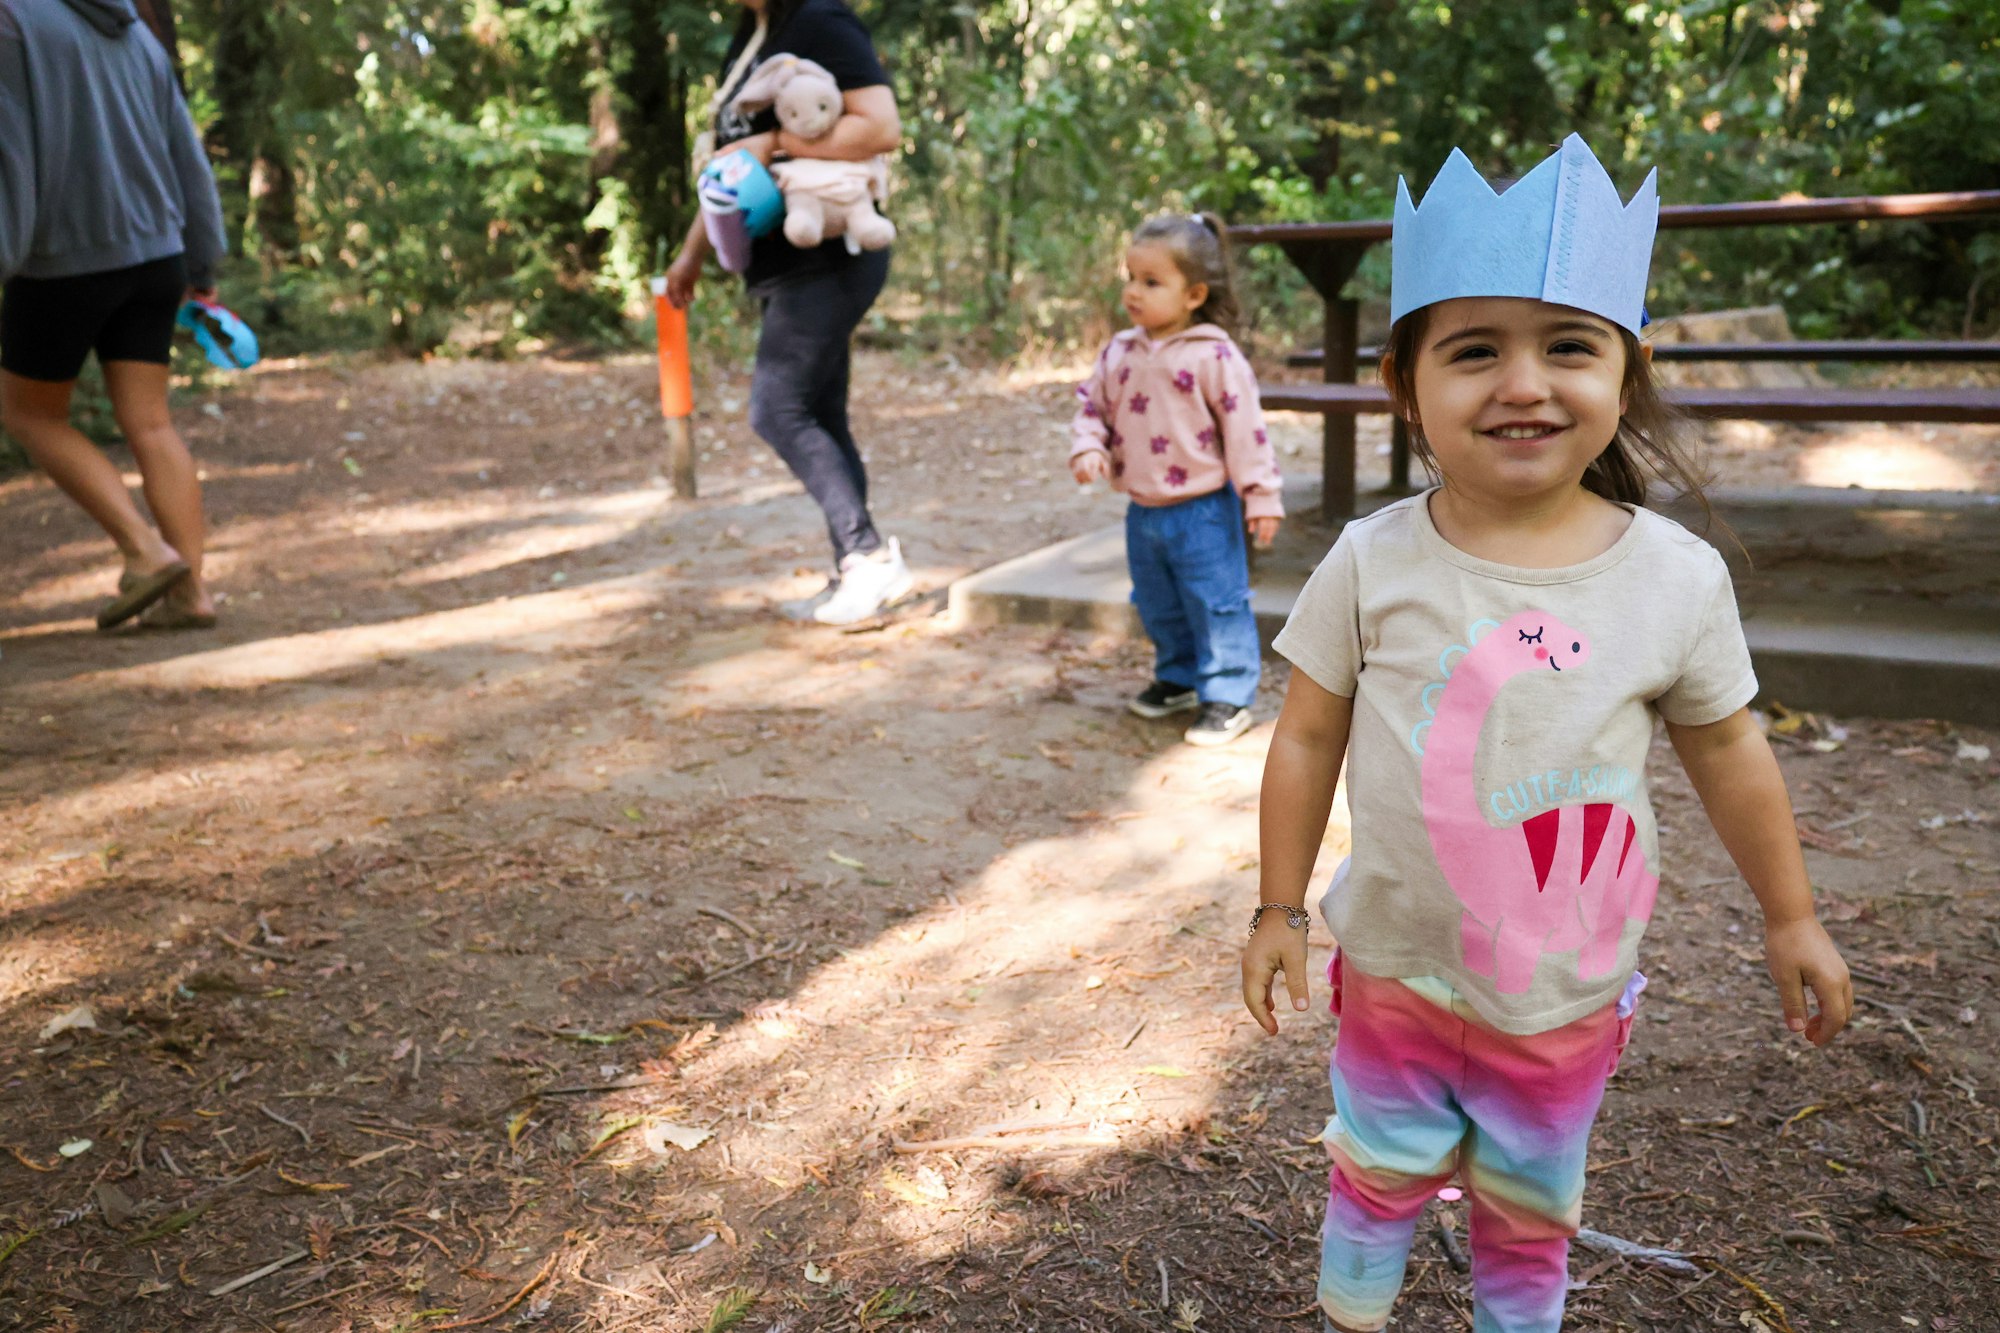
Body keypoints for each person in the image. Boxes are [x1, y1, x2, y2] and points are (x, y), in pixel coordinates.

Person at [1238, 136, 1852, 1333]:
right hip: (1395, 970)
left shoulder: (1671, 578)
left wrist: (1791, 913)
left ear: (1625, 375)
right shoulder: (1372, 560)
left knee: (1527, 1214)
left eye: (1566, 346)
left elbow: (1726, 748)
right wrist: (1276, 907)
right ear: (1402, 385)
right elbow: (1307, 735)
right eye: (1473, 351)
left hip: (1561, 992)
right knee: (1371, 1182)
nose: (1523, 383)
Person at [664, 0, 910, 627]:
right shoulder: (752, 34)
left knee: (777, 409)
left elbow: (881, 127)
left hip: (829, 255)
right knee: (820, 412)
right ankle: (857, 571)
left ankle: (868, 557)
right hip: (782, 262)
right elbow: (731, 159)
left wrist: (777, 139)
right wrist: (690, 256)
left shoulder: (820, 19)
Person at [0, 0, 227, 630]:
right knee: (151, 424)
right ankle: (192, 594)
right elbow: (187, 154)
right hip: (158, 254)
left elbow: (8, 157)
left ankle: (145, 549)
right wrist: (202, 261)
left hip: (64, 261)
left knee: (27, 412)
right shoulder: (137, 33)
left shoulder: (12, 24)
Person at [1068, 213, 1283, 747]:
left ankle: (1228, 694)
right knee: (1156, 599)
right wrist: (1089, 445)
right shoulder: (1119, 351)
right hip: (1144, 511)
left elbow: (1245, 430)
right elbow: (1092, 408)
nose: (1133, 292)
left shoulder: (1214, 355)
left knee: (1216, 599)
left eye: (1151, 282)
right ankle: (1179, 676)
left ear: (1194, 294)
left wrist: (1261, 496)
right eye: (1130, 277)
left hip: (1204, 509)